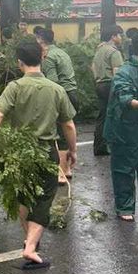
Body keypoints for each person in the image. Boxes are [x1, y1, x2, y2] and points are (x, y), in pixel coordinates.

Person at [0, 40, 77, 270]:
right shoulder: (56, 89)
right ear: (43, 58)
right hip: (45, 150)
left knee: (23, 196)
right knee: (44, 198)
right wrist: (73, 151)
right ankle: (30, 247)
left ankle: (29, 240)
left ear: (19, 63)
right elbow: (68, 125)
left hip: (19, 153)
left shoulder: (15, 87)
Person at [104, 33, 138, 221]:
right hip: (124, 129)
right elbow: (125, 99)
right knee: (124, 168)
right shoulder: (125, 72)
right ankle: (125, 208)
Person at [35, 28, 79, 183]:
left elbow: (53, 82)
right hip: (72, 93)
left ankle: (61, 172)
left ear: (40, 39)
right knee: (67, 131)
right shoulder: (62, 52)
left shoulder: (48, 57)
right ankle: (66, 169)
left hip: (62, 94)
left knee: (60, 134)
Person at [92, 25, 124, 156]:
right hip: (110, 84)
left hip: (99, 84)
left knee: (102, 116)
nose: (121, 38)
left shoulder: (99, 50)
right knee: (115, 115)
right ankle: (115, 145)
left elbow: (93, 67)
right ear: (113, 37)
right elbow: (117, 73)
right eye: (119, 35)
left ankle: (99, 146)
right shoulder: (113, 51)